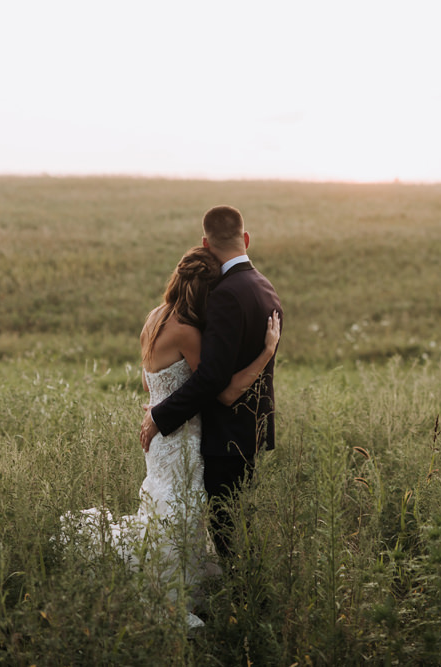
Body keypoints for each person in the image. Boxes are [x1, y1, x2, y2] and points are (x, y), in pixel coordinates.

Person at [63, 245, 280, 628]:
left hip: (161, 435)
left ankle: (173, 582)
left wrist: (157, 410)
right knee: (178, 509)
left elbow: (150, 385)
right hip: (180, 437)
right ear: (203, 290)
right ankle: (164, 598)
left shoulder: (154, 318)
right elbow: (221, 392)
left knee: (166, 505)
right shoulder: (188, 333)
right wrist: (266, 352)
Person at [141, 205, 283, 562]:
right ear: (246, 238)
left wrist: (161, 415)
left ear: (205, 243)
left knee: (226, 532)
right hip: (250, 428)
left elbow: (214, 378)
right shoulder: (265, 287)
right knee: (233, 525)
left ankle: (245, 600)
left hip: (224, 437)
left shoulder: (225, 293)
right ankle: (242, 597)